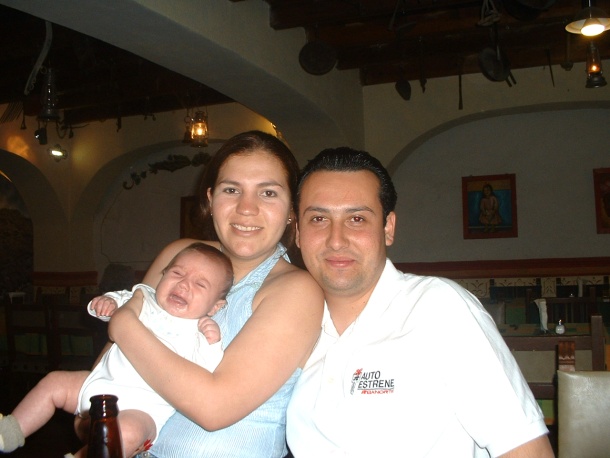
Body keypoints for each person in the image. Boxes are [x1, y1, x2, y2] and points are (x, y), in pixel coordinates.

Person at [286, 147, 554, 457]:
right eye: (318, 218)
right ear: (298, 233)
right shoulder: (289, 323)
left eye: (357, 218)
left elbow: (525, 450)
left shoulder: (437, 308)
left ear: (388, 228)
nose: (336, 239)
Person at [106, 131, 324, 456]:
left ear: (292, 208)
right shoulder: (178, 255)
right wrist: (99, 428)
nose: (246, 208)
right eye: (232, 189)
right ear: (210, 199)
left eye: (267, 192)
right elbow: (104, 378)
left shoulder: (296, 290)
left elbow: (214, 408)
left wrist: (122, 325)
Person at [0, 242, 233, 456]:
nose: (183, 284)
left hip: (143, 409)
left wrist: (212, 342)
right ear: (162, 275)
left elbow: (205, 373)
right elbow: (113, 302)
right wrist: (105, 303)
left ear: (215, 306)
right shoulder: (143, 297)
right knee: (54, 382)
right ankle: (9, 431)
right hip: (98, 385)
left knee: (125, 434)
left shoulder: (199, 333)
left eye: (200, 284)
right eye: (177, 273)